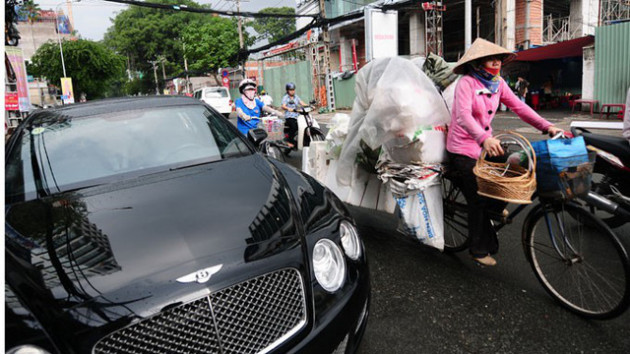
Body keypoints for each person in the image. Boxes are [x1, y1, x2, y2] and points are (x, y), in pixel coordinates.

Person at [447, 38, 563, 267]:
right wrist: (483, 138)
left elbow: (520, 107)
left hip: (487, 144)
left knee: (517, 164)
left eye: (498, 59)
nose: (496, 63)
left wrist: (546, 126)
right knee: (478, 194)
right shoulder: (466, 83)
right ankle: (478, 249)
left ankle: (494, 208)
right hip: (463, 149)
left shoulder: (498, 83)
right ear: (478, 63)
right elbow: (463, 116)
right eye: (491, 59)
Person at [281, 82, 307, 147]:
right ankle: (289, 141)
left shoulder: (296, 97)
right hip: (289, 116)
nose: (292, 91)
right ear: (287, 90)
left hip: (297, 116)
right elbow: (283, 106)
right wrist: (288, 108)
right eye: (291, 90)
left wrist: (309, 106)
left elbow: (302, 103)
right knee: (294, 127)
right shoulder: (286, 97)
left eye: (293, 90)